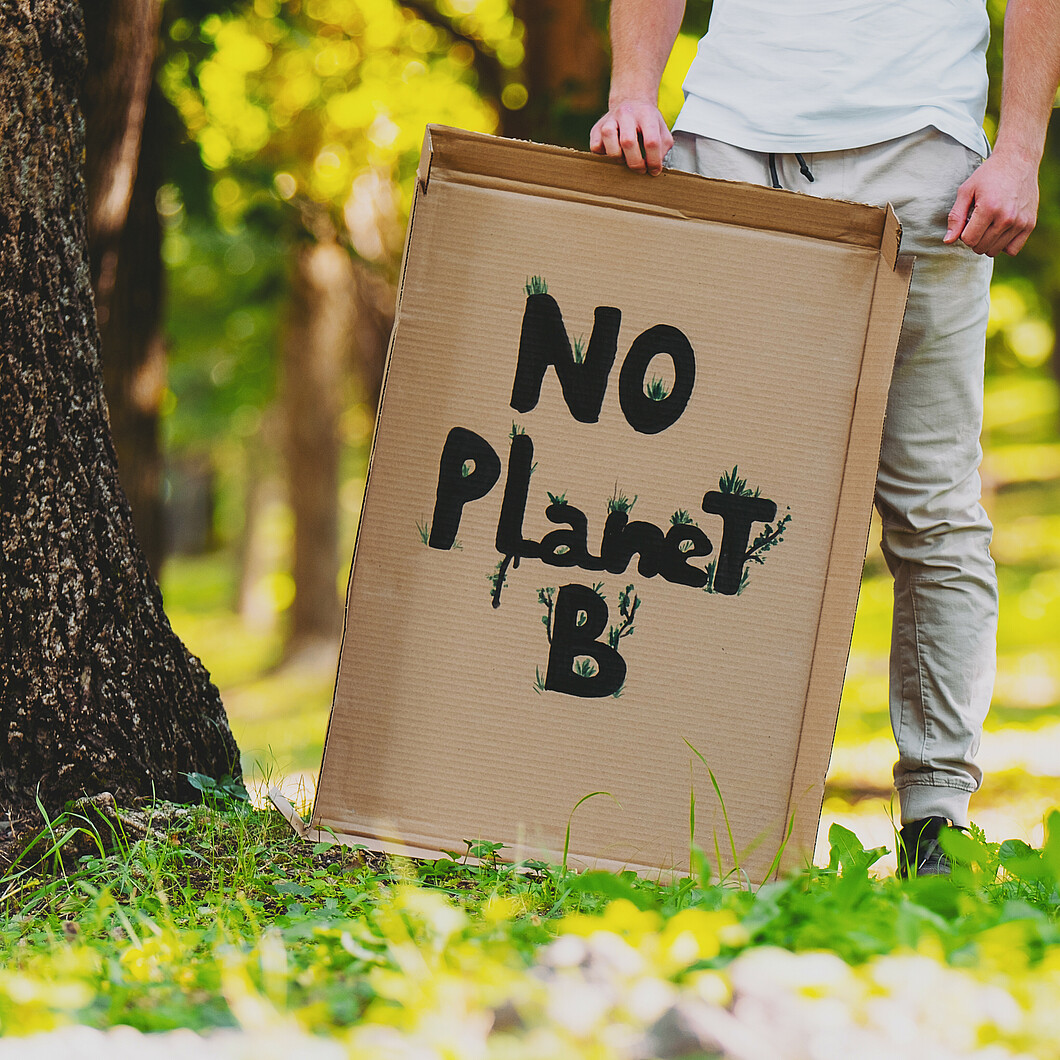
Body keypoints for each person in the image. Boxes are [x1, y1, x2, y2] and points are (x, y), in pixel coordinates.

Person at [590, 0, 1060, 875]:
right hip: (725, 147)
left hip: (922, 158)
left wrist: (1021, 148)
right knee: (680, 500)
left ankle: (937, 822)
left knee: (932, 509)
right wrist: (632, 93)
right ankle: (667, 796)